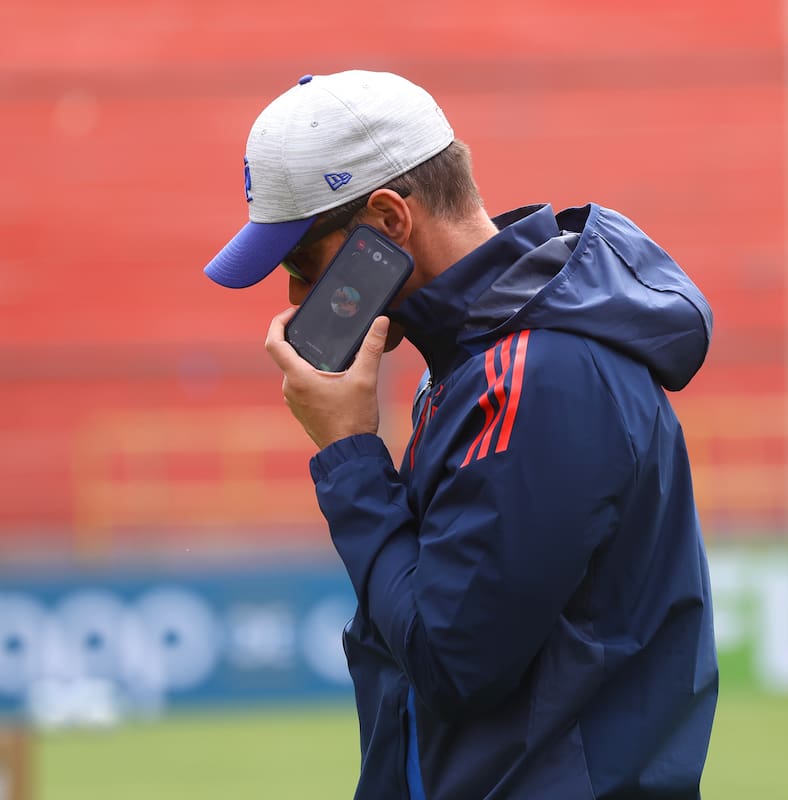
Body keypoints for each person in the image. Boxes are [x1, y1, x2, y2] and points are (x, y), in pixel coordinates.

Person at [203, 70, 718, 799]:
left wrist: (350, 456)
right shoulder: (482, 362)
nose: (292, 296)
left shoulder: (536, 374)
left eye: (300, 262)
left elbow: (453, 661)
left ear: (388, 222)